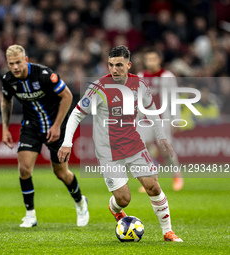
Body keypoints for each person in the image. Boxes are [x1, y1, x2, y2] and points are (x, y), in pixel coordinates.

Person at [58, 45, 183, 242]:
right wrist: (67, 143)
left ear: (128, 65)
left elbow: (152, 112)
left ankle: (167, 231)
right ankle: (115, 208)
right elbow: (76, 114)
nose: (114, 69)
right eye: (110, 65)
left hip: (133, 144)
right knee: (124, 199)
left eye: (119, 65)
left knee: (153, 187)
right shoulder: (98, 88)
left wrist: (162, 137)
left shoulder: (139, 84)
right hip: (108, 151)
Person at [1, 44, 89, 228]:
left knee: (61, 173)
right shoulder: (8, 80)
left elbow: (67, 96)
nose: (15, 67)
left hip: (55, 127)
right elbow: (6, 101)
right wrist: (5, 127)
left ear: (26, 60)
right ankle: (30, 214)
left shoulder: (44, 75)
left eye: (18, 62)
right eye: (11, 64)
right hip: (31, 126)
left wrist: (57, 126)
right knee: (24, 169)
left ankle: (81, 202)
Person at [137, 48, 184, 192]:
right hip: (145, 119)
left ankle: (177, 175)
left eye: (153, 59)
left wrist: (176, 119)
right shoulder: (140, 76)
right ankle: (150, 180)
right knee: (143, 150)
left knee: (165, 150)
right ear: (145, 61)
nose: (150, 62)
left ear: (159, 60)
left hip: (162, 119)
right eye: (148, 59)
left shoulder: (167, 76)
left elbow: (174, 98)